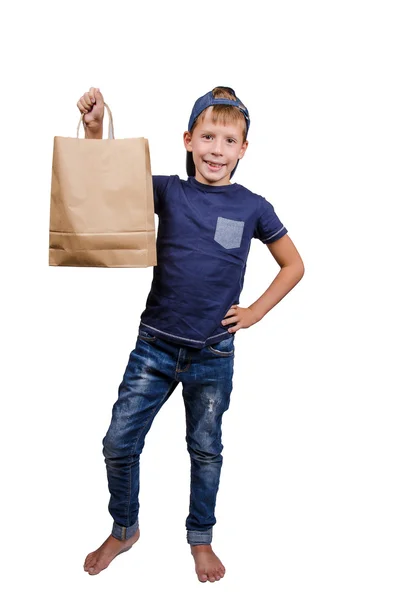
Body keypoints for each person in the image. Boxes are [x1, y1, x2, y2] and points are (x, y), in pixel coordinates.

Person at [77, 85, 304, 582]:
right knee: (118, 442)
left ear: (243, 149)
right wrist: (94, 130)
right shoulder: (169, 191)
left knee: (205, 450)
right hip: (154, 346)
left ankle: (201, 537)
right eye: (207, 136)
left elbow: (293, 265)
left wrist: (256, 313)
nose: (216, 149)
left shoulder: (253, 207)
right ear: (188, 139)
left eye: (228, 140)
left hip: (212, 354)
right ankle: (124, 527)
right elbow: (105, 180)